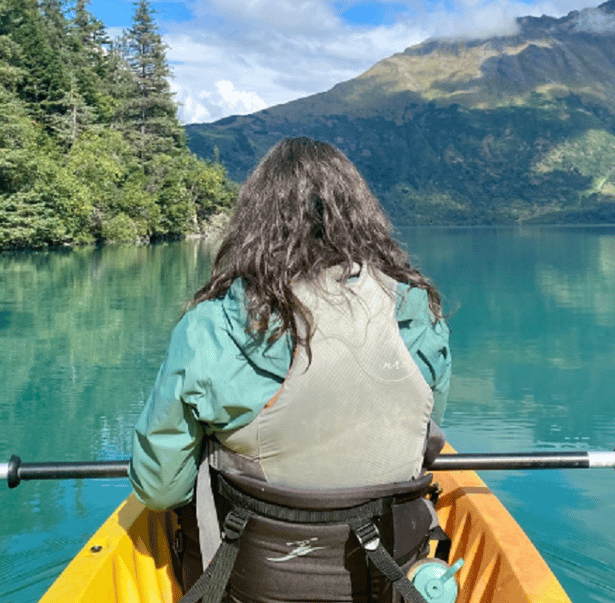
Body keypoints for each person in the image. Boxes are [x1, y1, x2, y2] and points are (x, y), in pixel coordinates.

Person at [129, 138, 451, 603]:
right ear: (360, 216)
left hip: (251, 585)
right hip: (390, 578)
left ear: (254, 223)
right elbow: (424, 436)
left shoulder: (210, 326)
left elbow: (160, 489)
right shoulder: (416, 312)